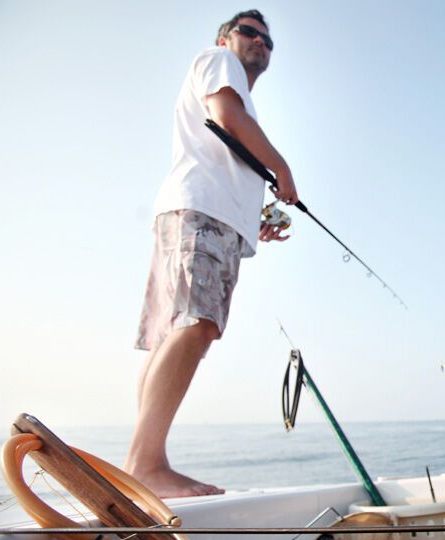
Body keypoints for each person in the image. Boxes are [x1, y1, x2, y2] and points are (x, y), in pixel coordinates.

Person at [126, 9, 298, 497]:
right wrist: (281, 168)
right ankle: (145, 464)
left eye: (268, 39)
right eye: (249, 33)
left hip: (203, 214)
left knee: (175, 332)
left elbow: (226, 143)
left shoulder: (238, 95)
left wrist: (256, 219)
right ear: (226, 38)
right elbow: (226, 117)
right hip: (200, 212)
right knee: (197, 324)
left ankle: (143, 460)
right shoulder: (220, 64)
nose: (260, 42)